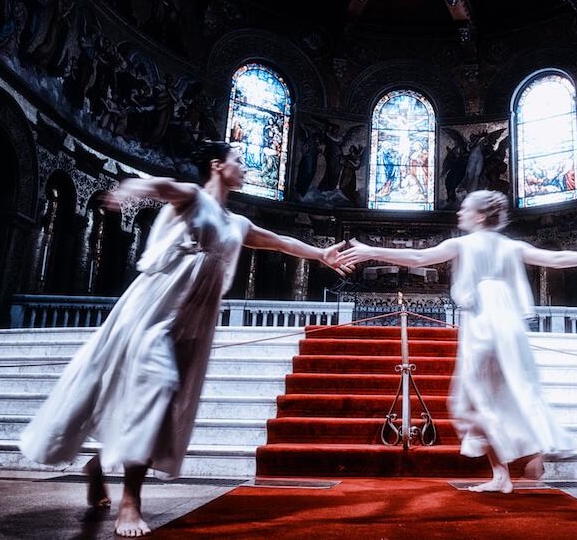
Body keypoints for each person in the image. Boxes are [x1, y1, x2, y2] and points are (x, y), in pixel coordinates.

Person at [19, 141, 355, 536]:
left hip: (194, 319)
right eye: (240, 161)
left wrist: (320, 255)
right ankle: (131, 501)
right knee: (155, 386)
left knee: (156, 400)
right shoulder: (194, 197)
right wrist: (134, 188)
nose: (246, 168)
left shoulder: (236, 223)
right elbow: (163, 187)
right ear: (216, 165)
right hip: (154, 310)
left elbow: (279, 241)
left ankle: (98, 463)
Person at [344, 190, 577, 493]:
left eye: (465, 209)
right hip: (509, 327)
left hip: (484, 325)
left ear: (480, 216)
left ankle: (520, 458)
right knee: (501, 395)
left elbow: (418, 257)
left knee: (467, 405)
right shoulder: (511, 246)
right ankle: (506, 471)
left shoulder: (463, 244)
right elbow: (557, 259)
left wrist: (370, 250)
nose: (459, 214)